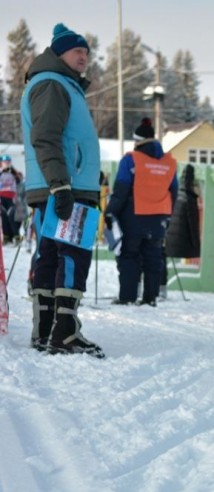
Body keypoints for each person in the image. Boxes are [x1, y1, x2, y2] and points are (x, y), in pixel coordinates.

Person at [20, 23, 104, 357]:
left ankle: (45, 330)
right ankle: (65, 333)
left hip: (57, 185)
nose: (83, 57)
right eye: (76, 51)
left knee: (50, 254)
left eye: (86, 52)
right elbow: (46, 137)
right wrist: (61, 184)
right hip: (66, 186)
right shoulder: (53, 84)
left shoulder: (60, 84)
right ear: (59, 54)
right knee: (72, 254)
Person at [105, 117, 178, 307]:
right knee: (153, 257)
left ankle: (127, 297)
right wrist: (167, 216)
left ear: (137, 141)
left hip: (133, 216)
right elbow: (174, 192)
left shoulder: (131, 159)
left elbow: (121, 190)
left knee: (129, 256)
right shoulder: (169, 163)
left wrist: (110, 212)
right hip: (159, 218)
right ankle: (150, 297)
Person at [165, 164, 201, 259]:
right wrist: (196, 246)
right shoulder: (189, 198)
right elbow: (192, 224)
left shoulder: (175, 194)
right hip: (183, 245)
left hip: (170, 243)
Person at [0, 154, 24, 244]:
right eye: (4, 162)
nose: (6, 164)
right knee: (4, 216)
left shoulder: (13, 172)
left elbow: (19, 180)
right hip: (2, 197)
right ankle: (6, 236)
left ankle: (16, 235)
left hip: (12, 197)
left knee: (11, 215)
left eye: (7, 162)